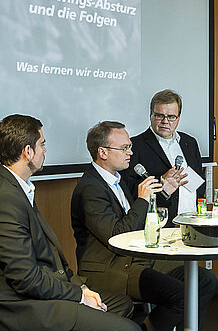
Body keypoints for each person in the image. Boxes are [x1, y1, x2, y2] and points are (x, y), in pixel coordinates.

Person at [71, 121, 217, 331]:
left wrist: (164, 192)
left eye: (129, 146)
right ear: (102, 152)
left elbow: (139, 219)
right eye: (124, 148)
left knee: (205, 280)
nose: (130, 152)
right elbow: (117, 236)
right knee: (182, 296)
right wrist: (142, 200)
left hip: (137, 259)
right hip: (110, 268)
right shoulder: (90, 189)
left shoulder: (117, 180)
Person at [0, 114, 140, 331]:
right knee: (129, 328)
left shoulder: (19, 187)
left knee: (121, 305)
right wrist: (79, 295)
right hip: (22, 306)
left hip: (50, 285)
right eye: (42, 144)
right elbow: (26, 278)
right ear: (28, 152)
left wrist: (81, 288)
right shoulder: (7, 198)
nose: (45, 150)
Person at [121, 90, 205, 226]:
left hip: (193, 220)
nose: (165, 121)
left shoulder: (190, 142)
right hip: (160, 224)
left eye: (171, 117)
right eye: (160, 116)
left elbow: (200, 181)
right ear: (151, 115)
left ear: (178, 117)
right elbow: (127, 190)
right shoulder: (135, 145)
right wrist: (161, 183)